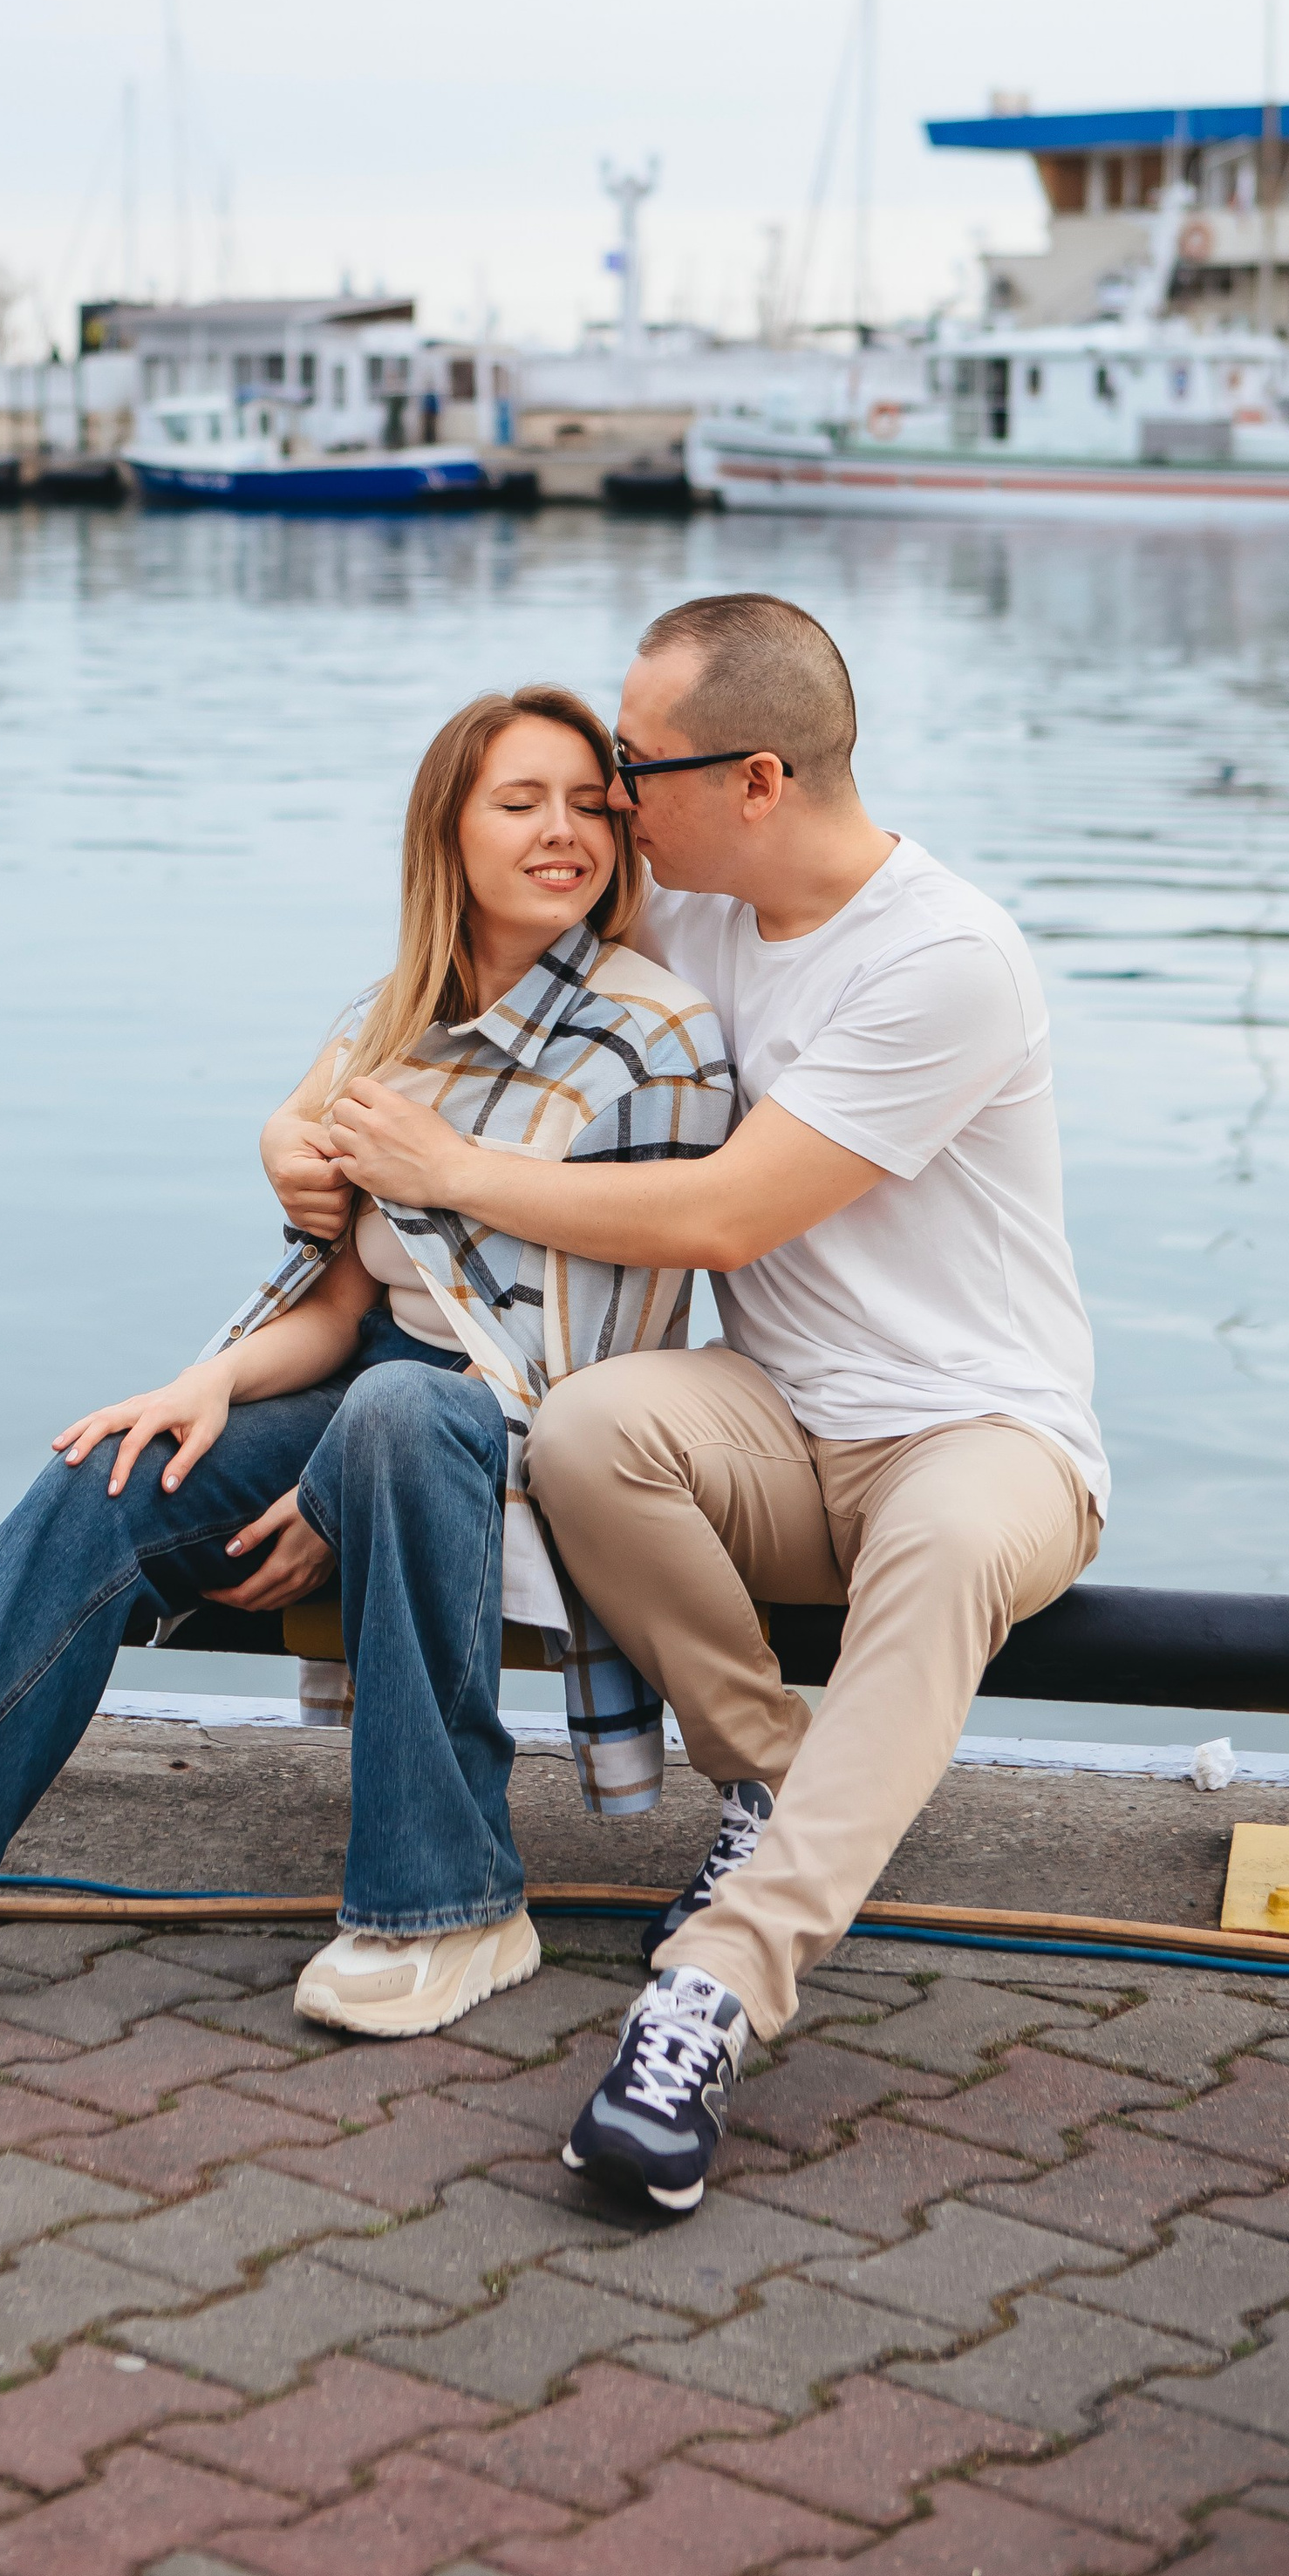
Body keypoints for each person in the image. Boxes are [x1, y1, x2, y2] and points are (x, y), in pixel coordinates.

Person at [0, 684, 731, 2074]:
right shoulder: (385, 1025)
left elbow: (602, 1352)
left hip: (531, 1424)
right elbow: (340, 1308)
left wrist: (336, 1476)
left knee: (399, 1413)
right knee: (112, 1468)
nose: (562, 832)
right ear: (448, 832)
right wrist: (206, 1389)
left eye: (587, 804)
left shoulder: (658, 1036)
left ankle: (448, 1906)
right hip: (371, 1392)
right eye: (521, 803)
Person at [278, 592, 1106, 2215]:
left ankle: (712, 1997)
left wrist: (459, 1173)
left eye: (633, 769)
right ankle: (769, 1774)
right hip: (774, 1424)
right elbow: (458, 1002)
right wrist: (292, 1130)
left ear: (757, 780)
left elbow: (729, 1213)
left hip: (984, 1435)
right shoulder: (705, 916)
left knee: (939, 1552)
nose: (606, 803)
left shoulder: (948, 961)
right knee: (592, 1428)